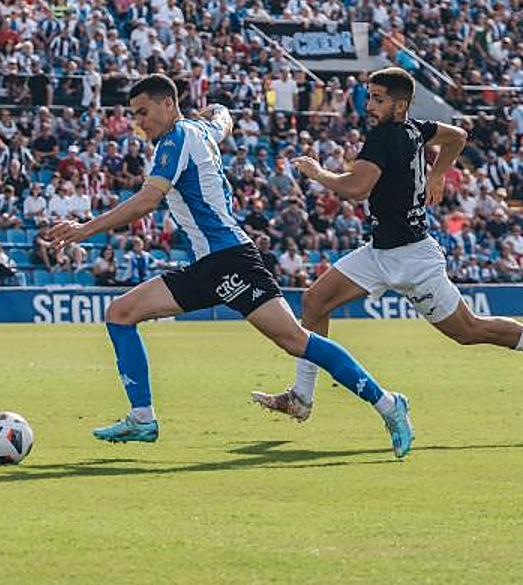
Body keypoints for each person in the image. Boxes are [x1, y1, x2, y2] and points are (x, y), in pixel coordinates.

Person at [48, 74, 413, 457]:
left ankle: (389, 405)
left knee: (295, 341)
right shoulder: (199, 130)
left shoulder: (175, 141)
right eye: (134, 114)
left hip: (230, 260)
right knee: (120, 313)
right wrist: (214, 113)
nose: (140, 121)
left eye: (143, 112)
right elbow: (224, 117)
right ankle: (142, 419)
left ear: (167, 104)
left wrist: (84, 229)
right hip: (208, 264)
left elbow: (145, 201)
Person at [251, 68, 523, 423]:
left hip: (414, 259)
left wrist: (319, 174)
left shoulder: (384, 138)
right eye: (370, 96)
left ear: (401, 105)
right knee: (314, 301)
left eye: (378, 99)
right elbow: (458, 136)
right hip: (381, 251)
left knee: (469, 330)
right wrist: (438, 172)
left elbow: (356, 188)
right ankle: (301, 398)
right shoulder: (418, 128)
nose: (370, 105)